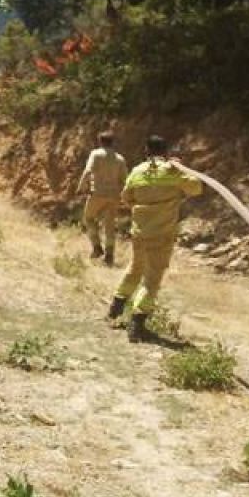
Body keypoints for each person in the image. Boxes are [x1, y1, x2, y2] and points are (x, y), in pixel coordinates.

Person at [108, 135, 202, 342]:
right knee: (151, 280)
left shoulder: (138, 170)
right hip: (161, 234)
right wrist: (180, 169)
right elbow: (196, 188)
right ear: (166, 151)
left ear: (146, 150)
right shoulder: (172, 171)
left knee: (135, 268)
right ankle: (137, 323)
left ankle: (115, 309)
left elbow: (126, 197)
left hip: (139, 232)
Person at [76, 131, 128, 265]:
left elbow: (88, 171)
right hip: (114, 196)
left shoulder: (96, 154)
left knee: (88, 218)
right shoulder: (120, 158)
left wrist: (81, 187)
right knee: (110, 225)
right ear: (113, 142)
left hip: (97, 194)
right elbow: (125, 180)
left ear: (100, 141)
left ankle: (97, 247)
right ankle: (109, 255)